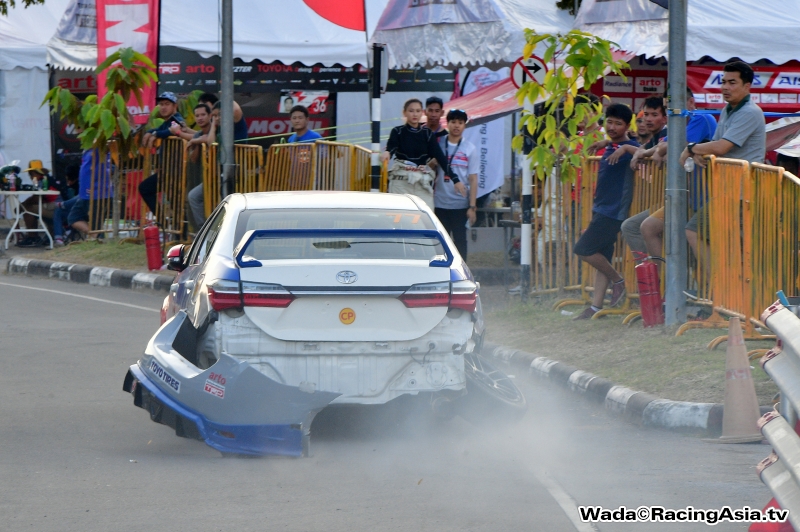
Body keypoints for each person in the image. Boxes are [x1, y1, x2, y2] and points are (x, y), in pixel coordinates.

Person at [679, 60, 765, 259]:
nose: (725, 87)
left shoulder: (750, 111)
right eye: (723, 81)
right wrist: (700, 152)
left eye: (732, 82)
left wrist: (691, 149)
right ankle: (719, 286)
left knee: (695, 231)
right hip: (728, 191)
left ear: (747, 86)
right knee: (729, 247)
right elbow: (715, 145)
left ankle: (715, 287)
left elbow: (721, 147)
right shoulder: (729, 109)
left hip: (743, 194)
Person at [622, 88, 718, 263]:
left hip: (708, 200)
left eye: (675, 106)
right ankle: (659, 284)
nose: (672, 112)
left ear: (690, 103)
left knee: (653, 230)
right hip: (687, 199)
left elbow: (675, 144)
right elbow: (661, 146)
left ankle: (671, 284)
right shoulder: (677, 126)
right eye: (668, 108)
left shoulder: (702, 119)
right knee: (637, 227)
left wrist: (660, 150)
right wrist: (642, 153)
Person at [572, 103, 639, 320]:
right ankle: (596, 307)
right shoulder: (612, 144)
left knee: (583, 248)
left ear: (627, 126)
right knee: (603, 256)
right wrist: (609, 143)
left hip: (614, 211)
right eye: (609, 122)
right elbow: (615, 142)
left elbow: (645, 152)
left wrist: (626, 148)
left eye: (618, 124)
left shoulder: (629, 148)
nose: (612, 127)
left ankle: (618, 280)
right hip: (601, 207)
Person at [381, 98, 456, 209]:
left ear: (422, 112)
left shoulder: (427, 133)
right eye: (411, 111)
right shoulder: (397, 131)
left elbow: (440, 156)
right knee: (399, 216)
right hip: (401, 180)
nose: (415, 114)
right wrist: (387, 153)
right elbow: (392, 147)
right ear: (404, 112)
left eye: (417, 111)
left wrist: (455, 179)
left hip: (422, 182)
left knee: (426, 215)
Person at [433, 109, 478, 260]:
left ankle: (462, 274)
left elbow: (473, 179)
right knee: (440, 242)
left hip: (460, 204)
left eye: (460, 123)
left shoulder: (470, 149)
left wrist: (472, 207)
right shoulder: (438, 143)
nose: (456, 126)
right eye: (453, 122)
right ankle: (440, 273)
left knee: (460, 241)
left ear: (465, 125)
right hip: (439, 203)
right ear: (448, 123)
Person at [67, 149, 113, 239]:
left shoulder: (99, 147)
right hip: (84, 194)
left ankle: (98, 238)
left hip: (95, 194)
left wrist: (96, 186)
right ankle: (96, 236)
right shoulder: (89, 147)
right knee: (73, 218)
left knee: (96, 224)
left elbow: (102, 168)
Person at [185, 103, 217, 230]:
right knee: (193, 196)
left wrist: (196, 141)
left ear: (210, 116)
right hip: (207, 178)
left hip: (219, 176)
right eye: (197, 115)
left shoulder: (216, 130)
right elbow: (193, 158)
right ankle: (203, 231)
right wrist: (198, 142)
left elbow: (211, 142)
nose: (200, 118)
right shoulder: (198, 134)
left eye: (203, 115)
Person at [15, 160, 60, 247]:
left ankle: (32, 237)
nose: (30, 176)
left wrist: (21, 206)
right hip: (54, 206)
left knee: (27, 209)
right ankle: (34, 235)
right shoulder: (46, 178)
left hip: (55, 207)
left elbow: (36, 198)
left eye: (31, 174)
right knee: (32, 208)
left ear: (36, 173)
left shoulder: (42, 180)